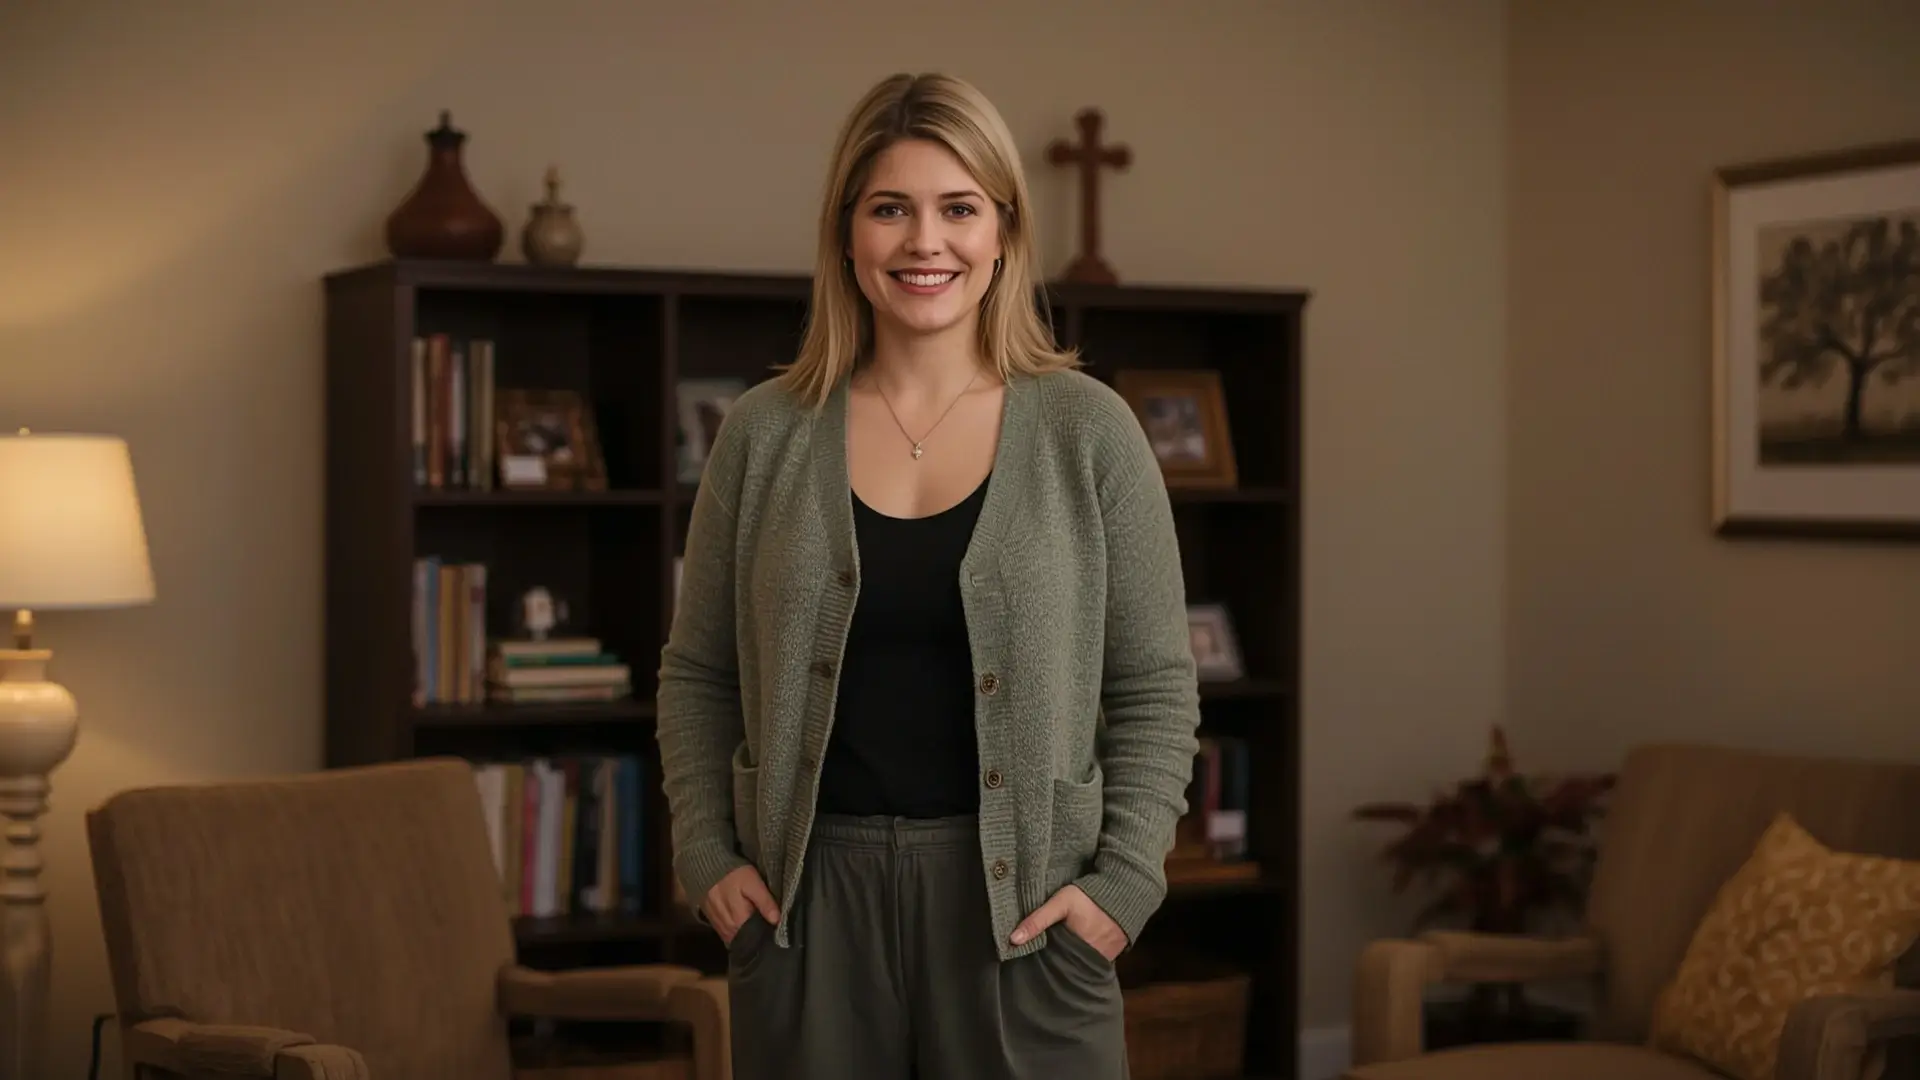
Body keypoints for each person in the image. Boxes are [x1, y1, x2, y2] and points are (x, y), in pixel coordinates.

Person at [655, 70, 1201, 1080]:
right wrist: (709, 857)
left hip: (1029, 916)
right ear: (845, 232)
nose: (924, 243)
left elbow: (1157, 687)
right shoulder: (762, 436)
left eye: (959, 208)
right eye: (890, 209)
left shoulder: (1091, 434)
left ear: (1002, 231)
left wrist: (1121, 888)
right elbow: (697, 673)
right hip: (808, 911)